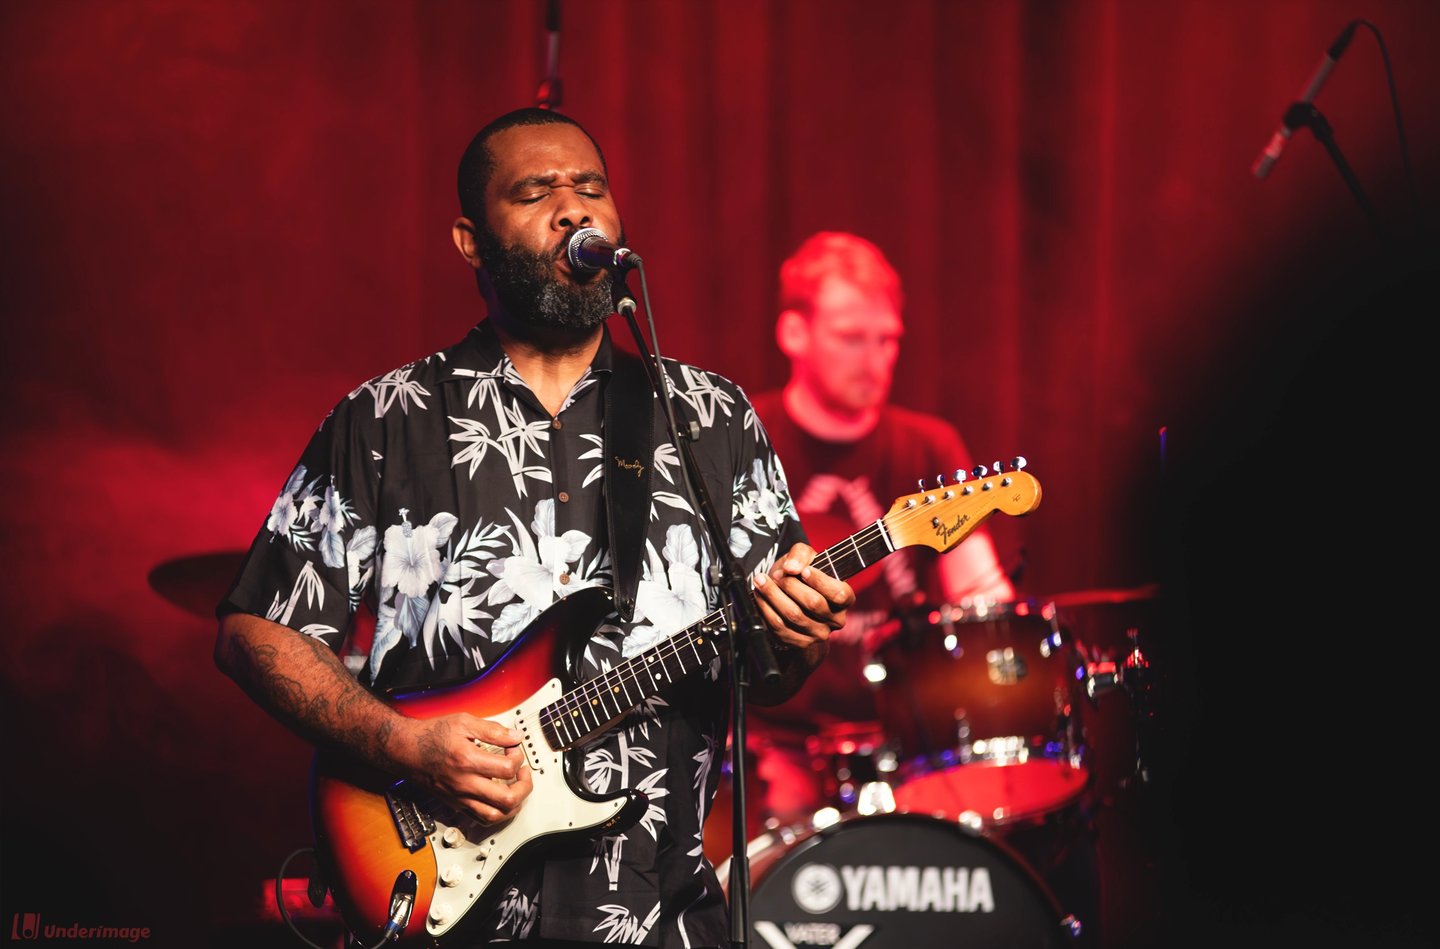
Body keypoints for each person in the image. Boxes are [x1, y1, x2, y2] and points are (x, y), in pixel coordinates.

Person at [213, 107, 853, 949]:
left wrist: (800, 635)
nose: (573, 207)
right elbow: (255, 631)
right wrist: (404, 744)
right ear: (470, 240)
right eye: (535, 191)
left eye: (591, 187)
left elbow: (770, 672)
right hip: (443, 906)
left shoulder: (708, 415)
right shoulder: (386, 419)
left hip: (658, 913)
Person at [744, 230, 1016, 829]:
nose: (874, 358)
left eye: (887, 339)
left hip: (906, 746)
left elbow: (982, 598)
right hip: (769, 749)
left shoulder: (929, 445)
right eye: (851, 337)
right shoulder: (743, 436)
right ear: (794, 333)